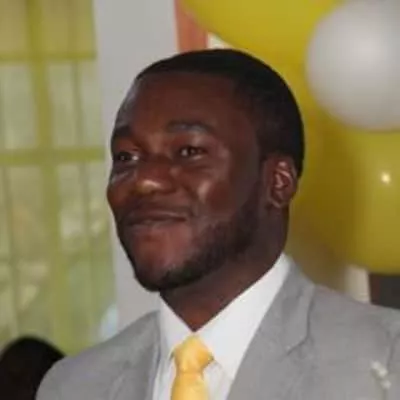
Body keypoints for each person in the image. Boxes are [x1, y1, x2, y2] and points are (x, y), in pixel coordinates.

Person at [37, 49, 400, 400]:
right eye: (126, 157)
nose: (145, 180)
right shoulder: (75, 387)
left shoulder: (386, 359)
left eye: (189, 151)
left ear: (277, 182)